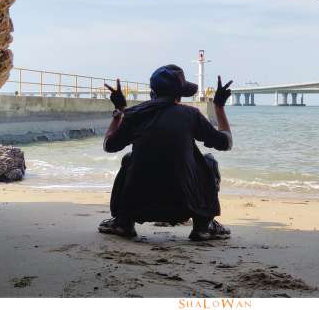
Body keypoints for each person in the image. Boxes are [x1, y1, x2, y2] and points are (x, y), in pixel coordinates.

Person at [97, 64, 234, 241]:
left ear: (152, 93)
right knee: (210, 161)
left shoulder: (134, 114)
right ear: (179, 95)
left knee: (128, 159)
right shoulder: (190, 115)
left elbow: (108, 145)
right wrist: (219, 106)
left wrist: (119, 112)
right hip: (185, 206)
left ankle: (123, 222)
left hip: (139, 206)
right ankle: (203, 226)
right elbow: (226, 143)